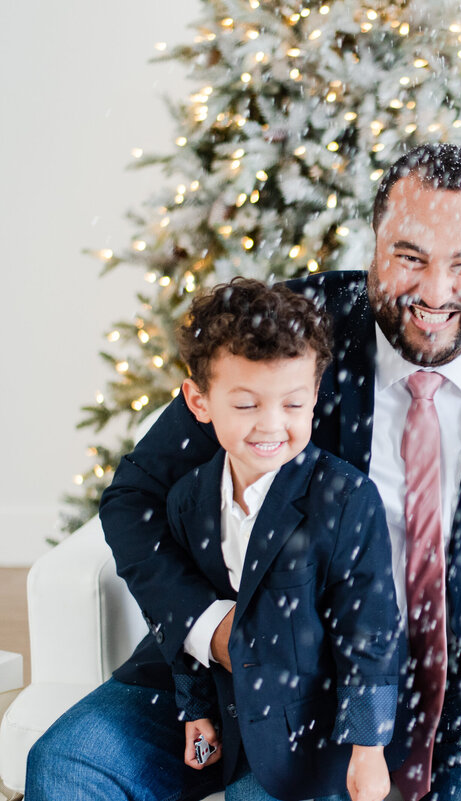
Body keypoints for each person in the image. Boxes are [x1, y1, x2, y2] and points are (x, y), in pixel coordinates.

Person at [25, 143, 461, 801]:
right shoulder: (292, 331)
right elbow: (136, 497)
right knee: (66, 768)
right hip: (242, 670)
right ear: (374, 244)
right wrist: (211, 630)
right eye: (410, 256)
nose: (435, 291)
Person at [163, 278, 400, 801]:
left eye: (293, 405)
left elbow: (371, 633)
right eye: (246, 405)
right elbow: (187, 620)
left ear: (315, 395)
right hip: (231, 718)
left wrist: (369, 751)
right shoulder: (186, 501)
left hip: (312, 739)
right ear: (199, 402)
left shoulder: (347, 499)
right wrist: (196, 710)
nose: (272, 426)